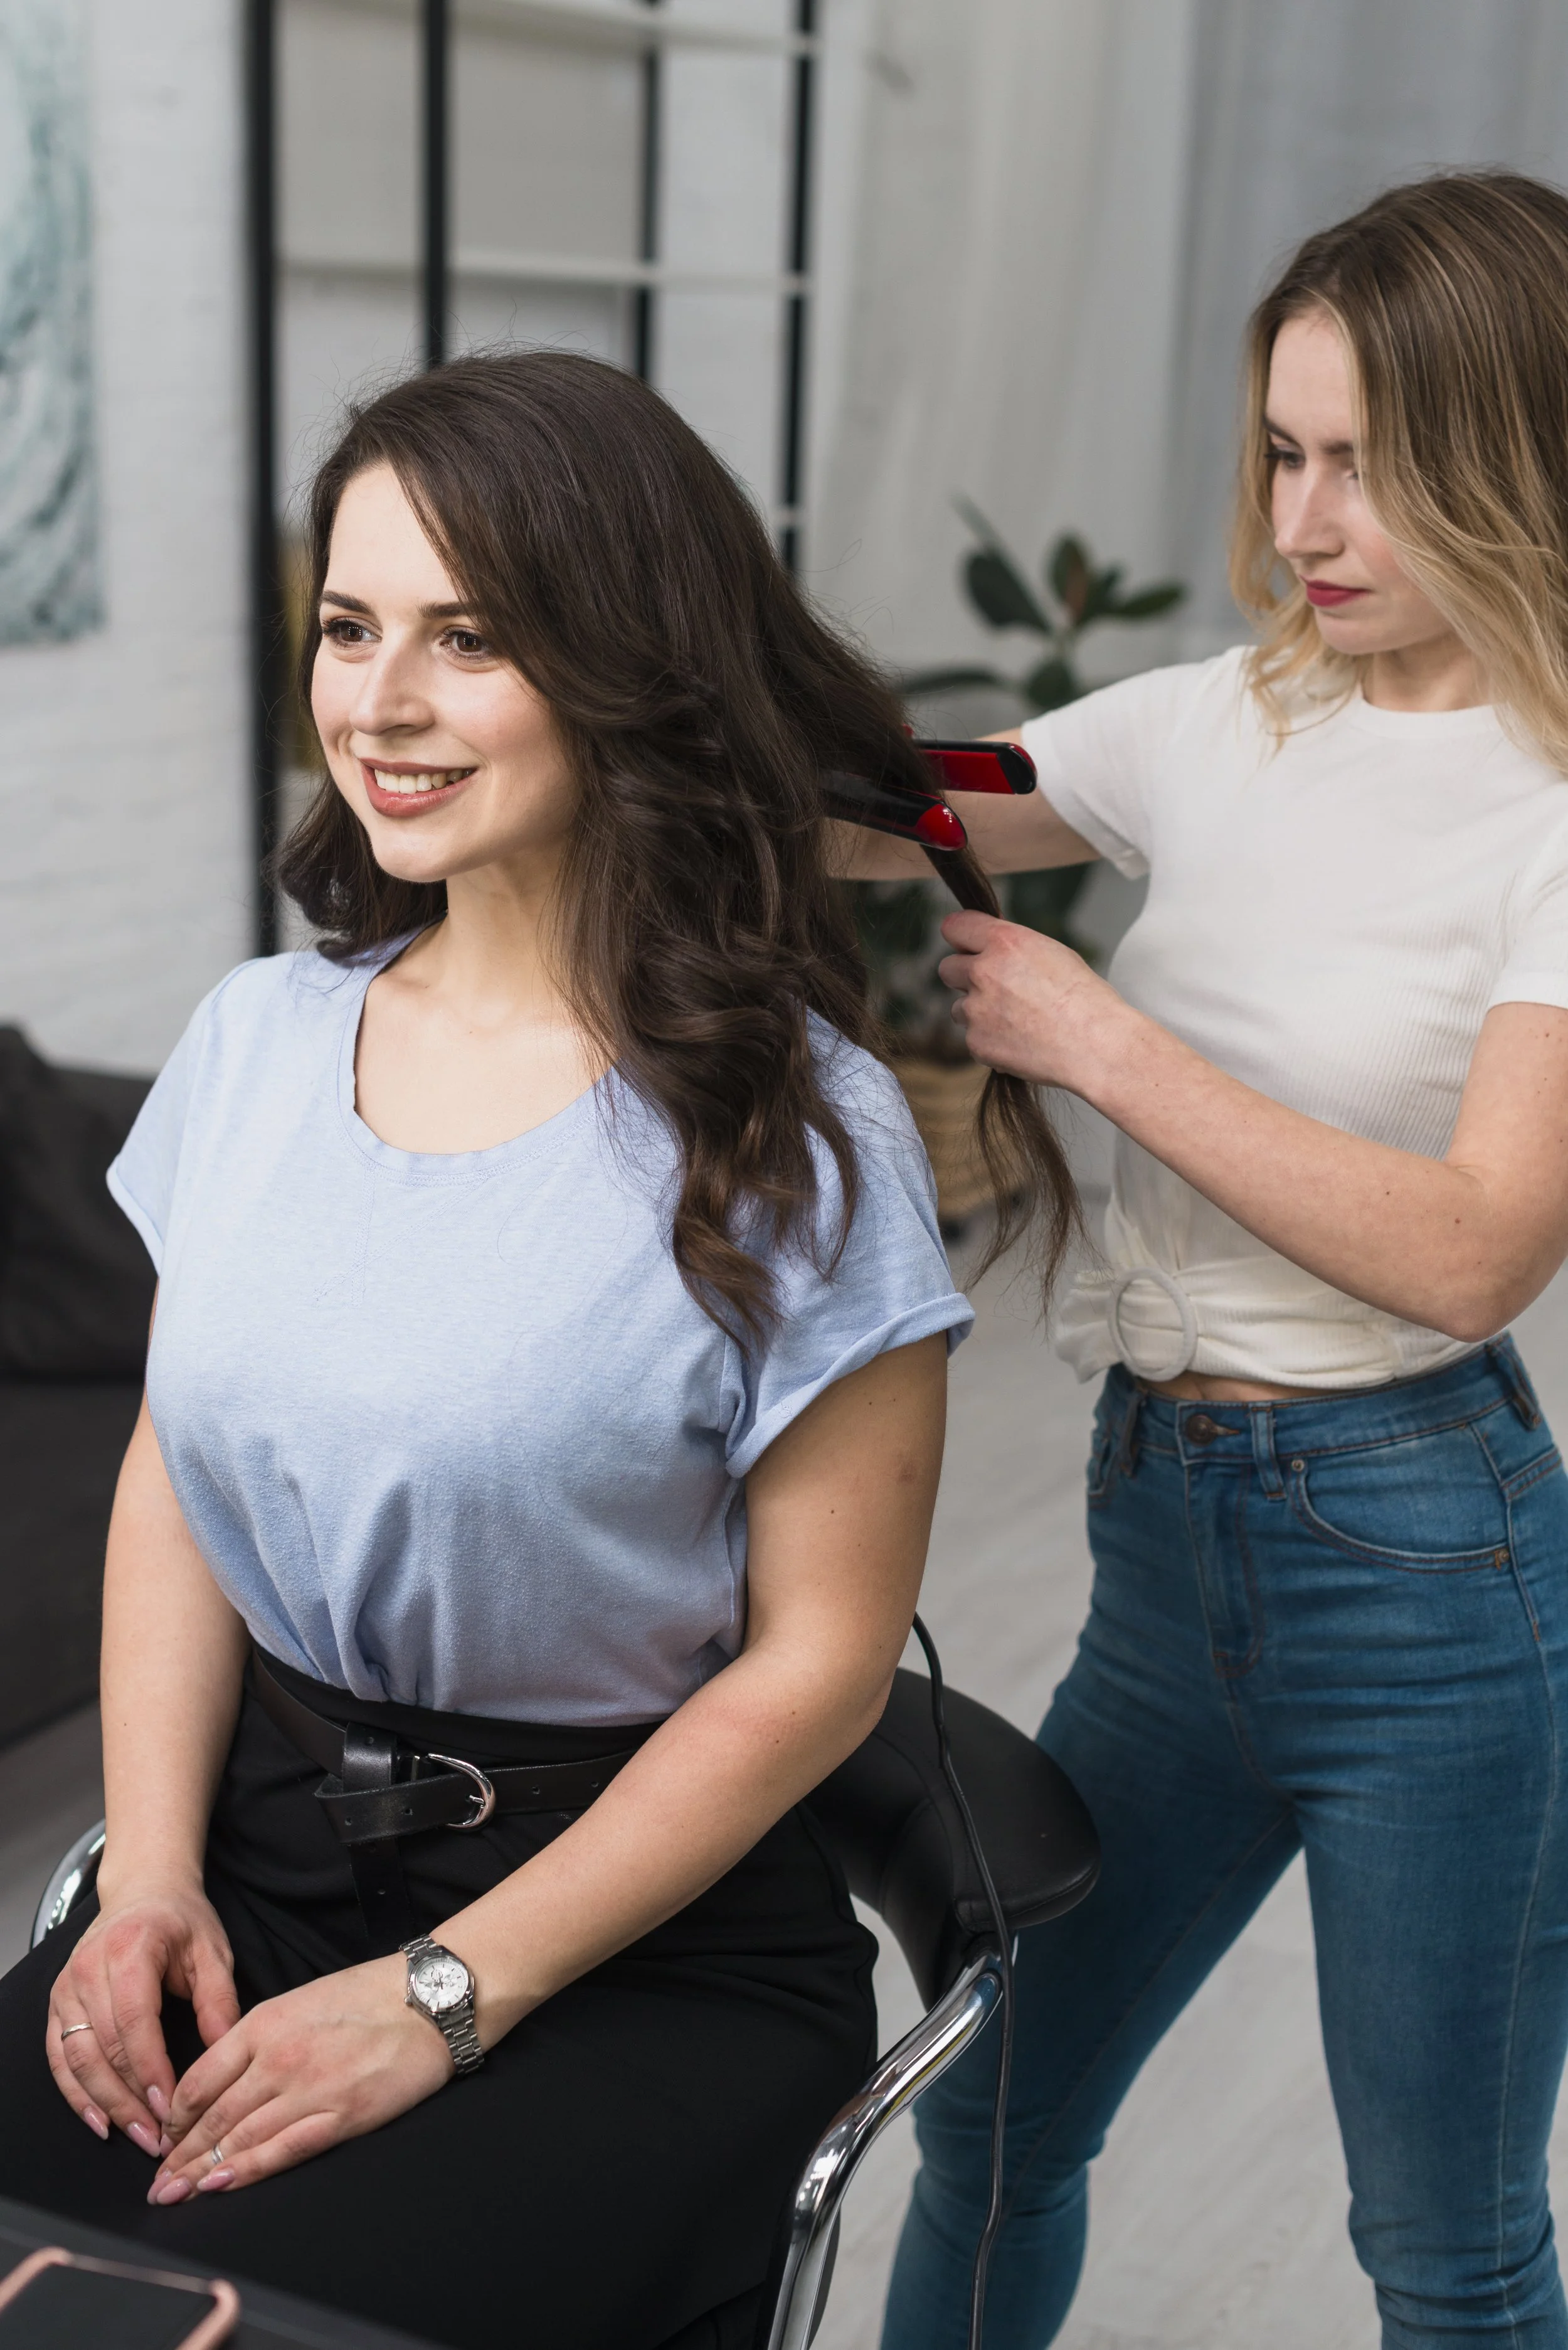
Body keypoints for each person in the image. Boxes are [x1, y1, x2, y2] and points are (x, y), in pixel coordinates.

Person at [0, 352, 1076, 2350]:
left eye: (468, 638)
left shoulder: (797, 1130)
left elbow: (822, 1665)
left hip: (629, 1938)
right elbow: (185, 1477)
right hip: (249, 1865)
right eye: (349, 627)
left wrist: (438, 2000)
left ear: (622, 664)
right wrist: (145, 1877)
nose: (380, 706)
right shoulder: (256, 1043)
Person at [862, 173, 1568, 2348]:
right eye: (1282, 451)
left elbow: (1474, 1254)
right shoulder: (1212, 722)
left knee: (1441, 2250)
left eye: (1365, 462)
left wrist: (1099, 1039)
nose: (1304, 519)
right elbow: (920, 792)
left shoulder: (1549, 809)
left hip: (1425, 1582)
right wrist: (627, 696)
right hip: (1167, 1550)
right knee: (994, 2130)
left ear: (1510, 452)